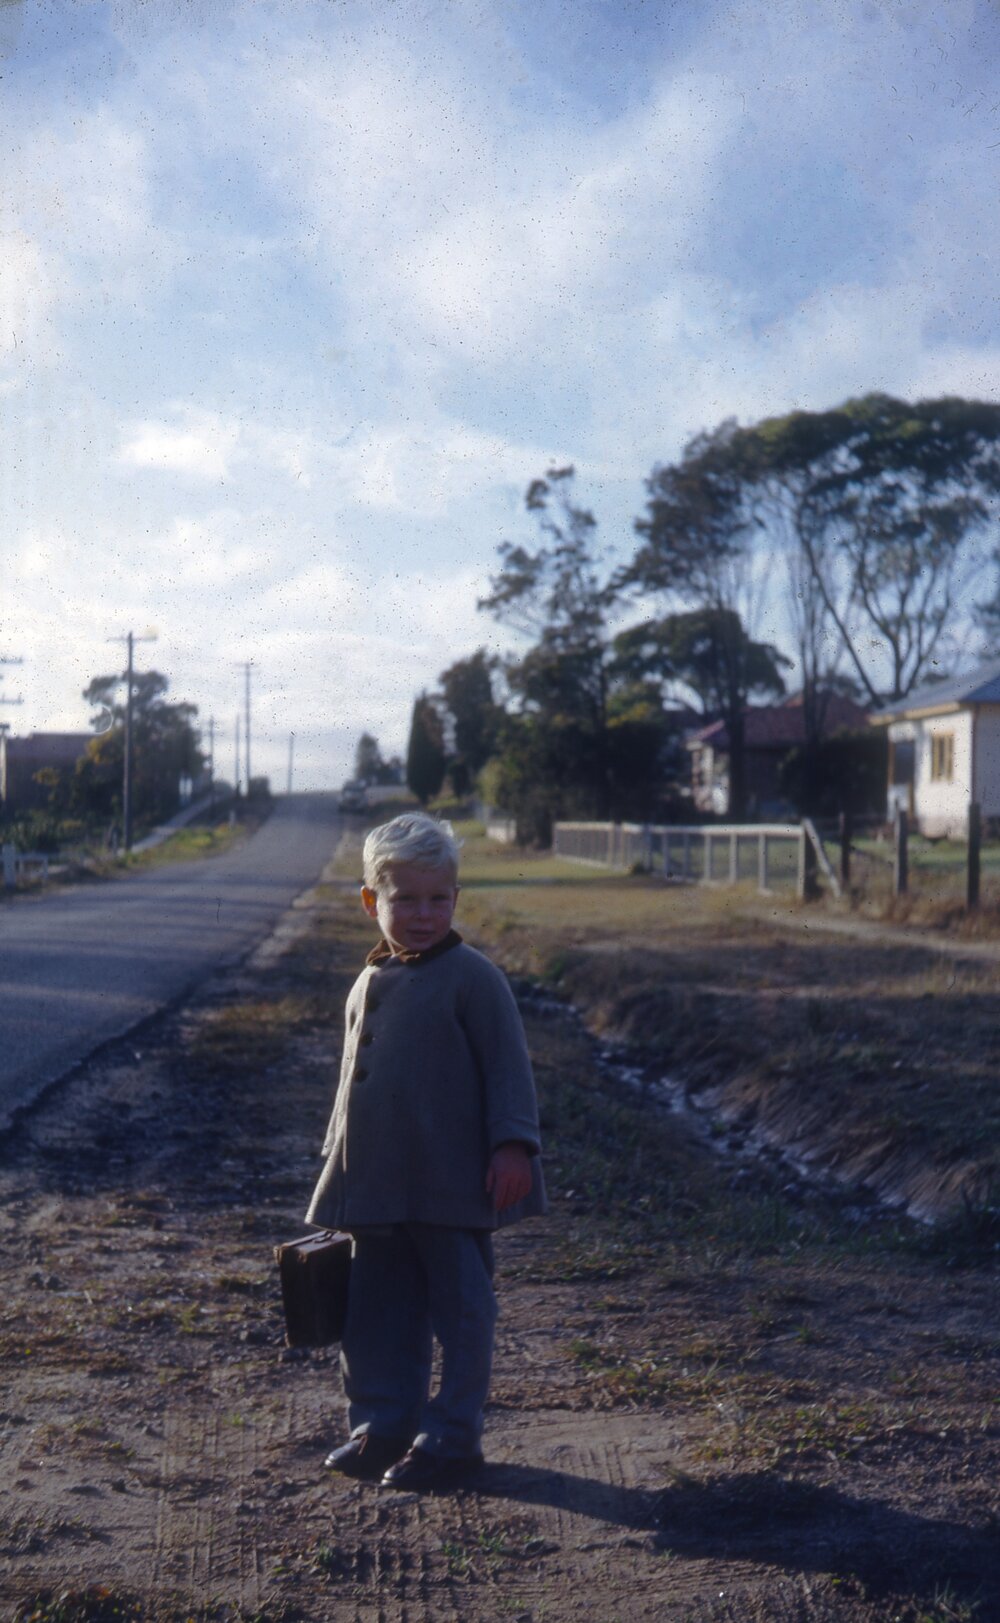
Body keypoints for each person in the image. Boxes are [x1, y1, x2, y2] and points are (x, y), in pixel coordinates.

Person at [306, 811, 546, 1492]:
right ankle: (383, 1424)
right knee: (375, 1310)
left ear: (456, 899)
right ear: (369, 902)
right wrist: (339, 1172)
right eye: (404, 898)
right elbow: (352, 1088)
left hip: (451, 1183)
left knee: (464, 1310)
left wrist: (512, 1145)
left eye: (438, 898)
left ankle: (451, 1437)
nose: (422, 914)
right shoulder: (368, 981)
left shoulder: (474, 978)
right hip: (375, 1185)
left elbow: (509, 1069)